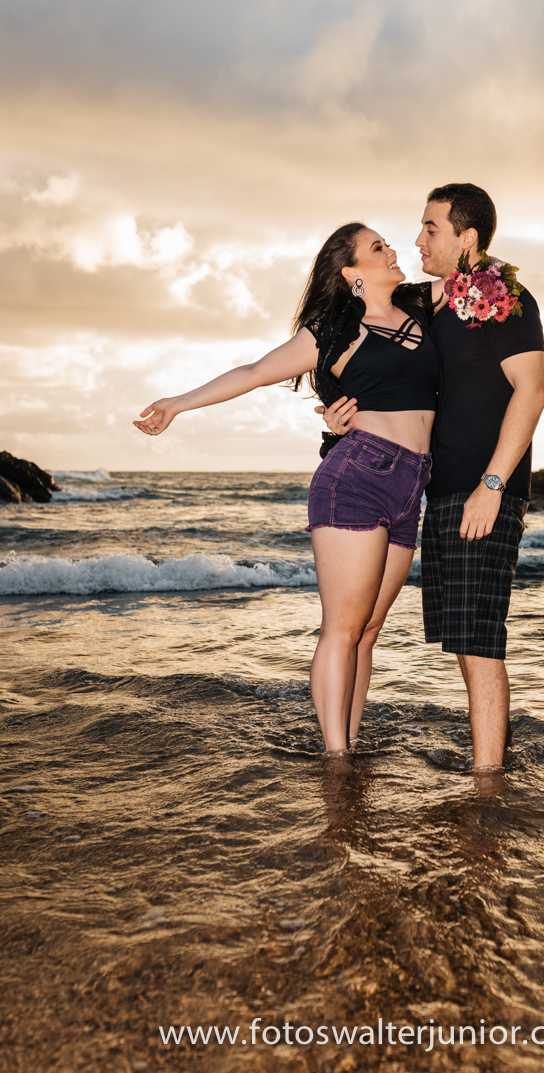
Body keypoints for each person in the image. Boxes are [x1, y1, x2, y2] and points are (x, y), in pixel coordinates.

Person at [133, 222, 441, 756]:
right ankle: (335, 756)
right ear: (351, 274)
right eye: (377, 247)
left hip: (413, 482)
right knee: (343, 629)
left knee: (368, 630)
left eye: (388, 243)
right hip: (358, 478)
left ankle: (351, 740)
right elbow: (255, 371)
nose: (392, 250)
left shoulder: (420, 309)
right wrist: (176, 404)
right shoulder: (332, 329)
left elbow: (477, 279)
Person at [321, 185, 544, 772]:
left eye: (430, 229)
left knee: (478, 642)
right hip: (435, 491)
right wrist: (337, 410)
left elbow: (533, 390)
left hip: (484, 491)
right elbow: (373, 357)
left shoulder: (510, 300)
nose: (418, 240)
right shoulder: (422, 303)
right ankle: (485, 771)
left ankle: (488, 783)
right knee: (461, 640)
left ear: (466, 238)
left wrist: (493, 486)